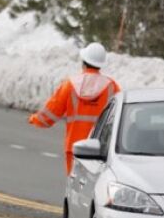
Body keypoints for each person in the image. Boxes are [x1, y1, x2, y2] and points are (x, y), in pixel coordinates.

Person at [29, 42, 120, 173]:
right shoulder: (112, 87)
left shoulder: (70, 84)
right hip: (100, 150)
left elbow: (50, 114)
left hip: (74, 147)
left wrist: (34, 119)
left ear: (83, 61)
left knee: (74, 187)